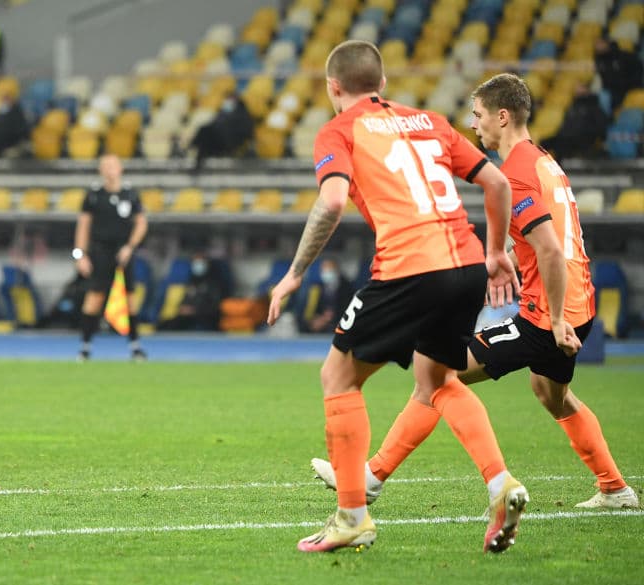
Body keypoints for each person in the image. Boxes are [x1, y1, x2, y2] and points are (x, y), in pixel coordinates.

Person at [312, 73, 639, 510]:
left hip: (549, 315)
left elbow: (549, 249)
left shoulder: (517, 172)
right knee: (552, 396)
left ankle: (371, 477)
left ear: (502, 117)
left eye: (478, 114)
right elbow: (546, 241)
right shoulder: (543, 161)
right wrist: (499, 264)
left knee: (438, 376)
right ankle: (615, 489)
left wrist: (557, 319)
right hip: (576, 302)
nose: (473, 124)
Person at [266, 40, 526, 553]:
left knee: (338, 377)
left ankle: (352, 516)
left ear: (333, 87)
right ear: (382, 84)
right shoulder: (431, 121)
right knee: (438, 380)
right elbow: (497, 183)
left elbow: (331, 202)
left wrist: (295, 273)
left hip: (410, 267)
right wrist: (496, 252)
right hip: (467, 265)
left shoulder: (340, 130)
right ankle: (501, 484)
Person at [73, 154, 148, 361]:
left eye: (113, 165)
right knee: (94, 297)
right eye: (105, 166)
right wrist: (80, 255)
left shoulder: (131, 194)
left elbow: (141, 223)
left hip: (123, 251)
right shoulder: (93, 196)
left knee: (130, 298)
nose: (109, 170)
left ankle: (135, 346)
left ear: (120, 168)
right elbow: (83, 226)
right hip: (100, 251)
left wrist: (130, 247)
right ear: (100, 170)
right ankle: (85, 347)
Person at [187, 91, 254, 172]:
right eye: (227, 99)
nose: (227, 102)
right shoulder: (223, 112)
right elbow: (215, 123)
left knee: (205, 131)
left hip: (229, 141)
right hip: (219, 139)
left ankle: (191, 147)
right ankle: (195, 156)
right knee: (205, 132)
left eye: (230, 100)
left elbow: (246, 132)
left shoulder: (242, 113)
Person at [541, 83, 609, 161]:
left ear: (587, 89)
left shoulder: (593, 106)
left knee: (561, 146)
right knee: (545, 143)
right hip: (567, 137)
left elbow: (601, 126)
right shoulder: (573, 106)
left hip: (583, 138)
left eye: (581, 86)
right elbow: (566, 124)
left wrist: (589, 133)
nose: (577, 89)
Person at [158, 252, 225, 331]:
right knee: (166, 325)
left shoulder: (213, 284)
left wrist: (195, 311)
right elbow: (183, 301)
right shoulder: (190, 282)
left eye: (201, 262)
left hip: (205, 322)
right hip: (186, 321)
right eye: (196, 262)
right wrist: (182, 308)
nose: (198, 265)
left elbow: (215, 308)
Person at [299, 258, 355, 333]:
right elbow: (311, 309)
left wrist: (327, 319)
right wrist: (315, 320)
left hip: (341, 323)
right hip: (320, 325)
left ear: (336, 270)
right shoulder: (318, 288)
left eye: (329, 268)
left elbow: (349, 309)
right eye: (323, 269)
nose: (326, 271)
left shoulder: (347, 287)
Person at [593, 38, 643, 112]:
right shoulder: (598, 60)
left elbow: (638, 69)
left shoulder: (624, 56)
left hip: (628, 89)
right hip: (611, 92)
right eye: (596, 44)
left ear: (607, 43)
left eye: (600, 43)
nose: (597, 46)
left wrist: (629, 84)